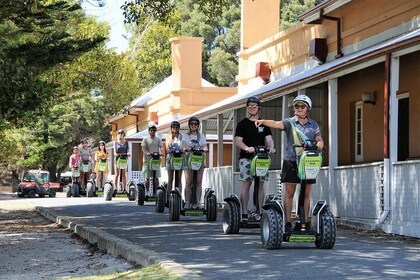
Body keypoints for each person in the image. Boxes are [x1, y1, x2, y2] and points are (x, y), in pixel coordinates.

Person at [255, 95, 324, 232]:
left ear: (307, 108)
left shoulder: (313, 124)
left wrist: (319, 145)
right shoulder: (290, 122)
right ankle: (287, 222)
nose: (299, 108)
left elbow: (319, 140)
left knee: (306, 193)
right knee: (289, 193)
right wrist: (263, 121)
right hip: (291, 161)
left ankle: (304, 222)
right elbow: (276, 123)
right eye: (296, 106)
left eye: (302, 106)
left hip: (307, 162)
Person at [235, 96, 275, 221]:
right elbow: (238, 141)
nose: (252, 108)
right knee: (247, 184)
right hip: (246, 158)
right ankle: (245, 212)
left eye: (254, 106)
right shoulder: (242, 124)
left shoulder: (263, 124)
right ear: (247, 108)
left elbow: (269, 139)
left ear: (259, 107)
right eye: (249, 106)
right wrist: (247, 148)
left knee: (261, 184)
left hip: (261, 158)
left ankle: (260, 212)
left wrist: (272, 148)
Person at [182, 116, 208, 209]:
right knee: (188, 182)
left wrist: (204, 149)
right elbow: (184, 146)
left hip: (199, 159)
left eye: (195, 124)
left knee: (199, 181)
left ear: (198, 125)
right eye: (192, 124)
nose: (193, 125)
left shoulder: (201, 136)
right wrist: (186, 148)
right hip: (189, 159)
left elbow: (205, 147)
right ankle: (187, 202)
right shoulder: (185, 135)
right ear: (189, 125)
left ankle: (198, 202)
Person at [142, 124, 163, 193]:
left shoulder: (158, 139)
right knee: (147, 177)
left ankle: (157, 193)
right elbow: (143, 148)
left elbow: (161, 147)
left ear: (156, 131)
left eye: (154, 130)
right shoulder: (145, 139)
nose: (152, 131)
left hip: (155, 160)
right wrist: (147, 152)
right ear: (149, 131)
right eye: (151, 130)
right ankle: (147, 192)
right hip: (147, 161)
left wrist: (161, 152)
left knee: (156, 177)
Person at [165, 120, 183, 199]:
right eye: (173, 127)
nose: (175, 129)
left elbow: (184, 146)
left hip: (179, 158)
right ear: (171, 128)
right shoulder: (168, 137)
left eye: (176, 127)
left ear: (179, 128)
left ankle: (179, 196)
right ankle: (168, 198)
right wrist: (171, 150)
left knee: (179, 178)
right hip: (171, 158)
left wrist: (182, 150)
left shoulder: (182, 137)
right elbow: (167, 149)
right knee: (170, 179)